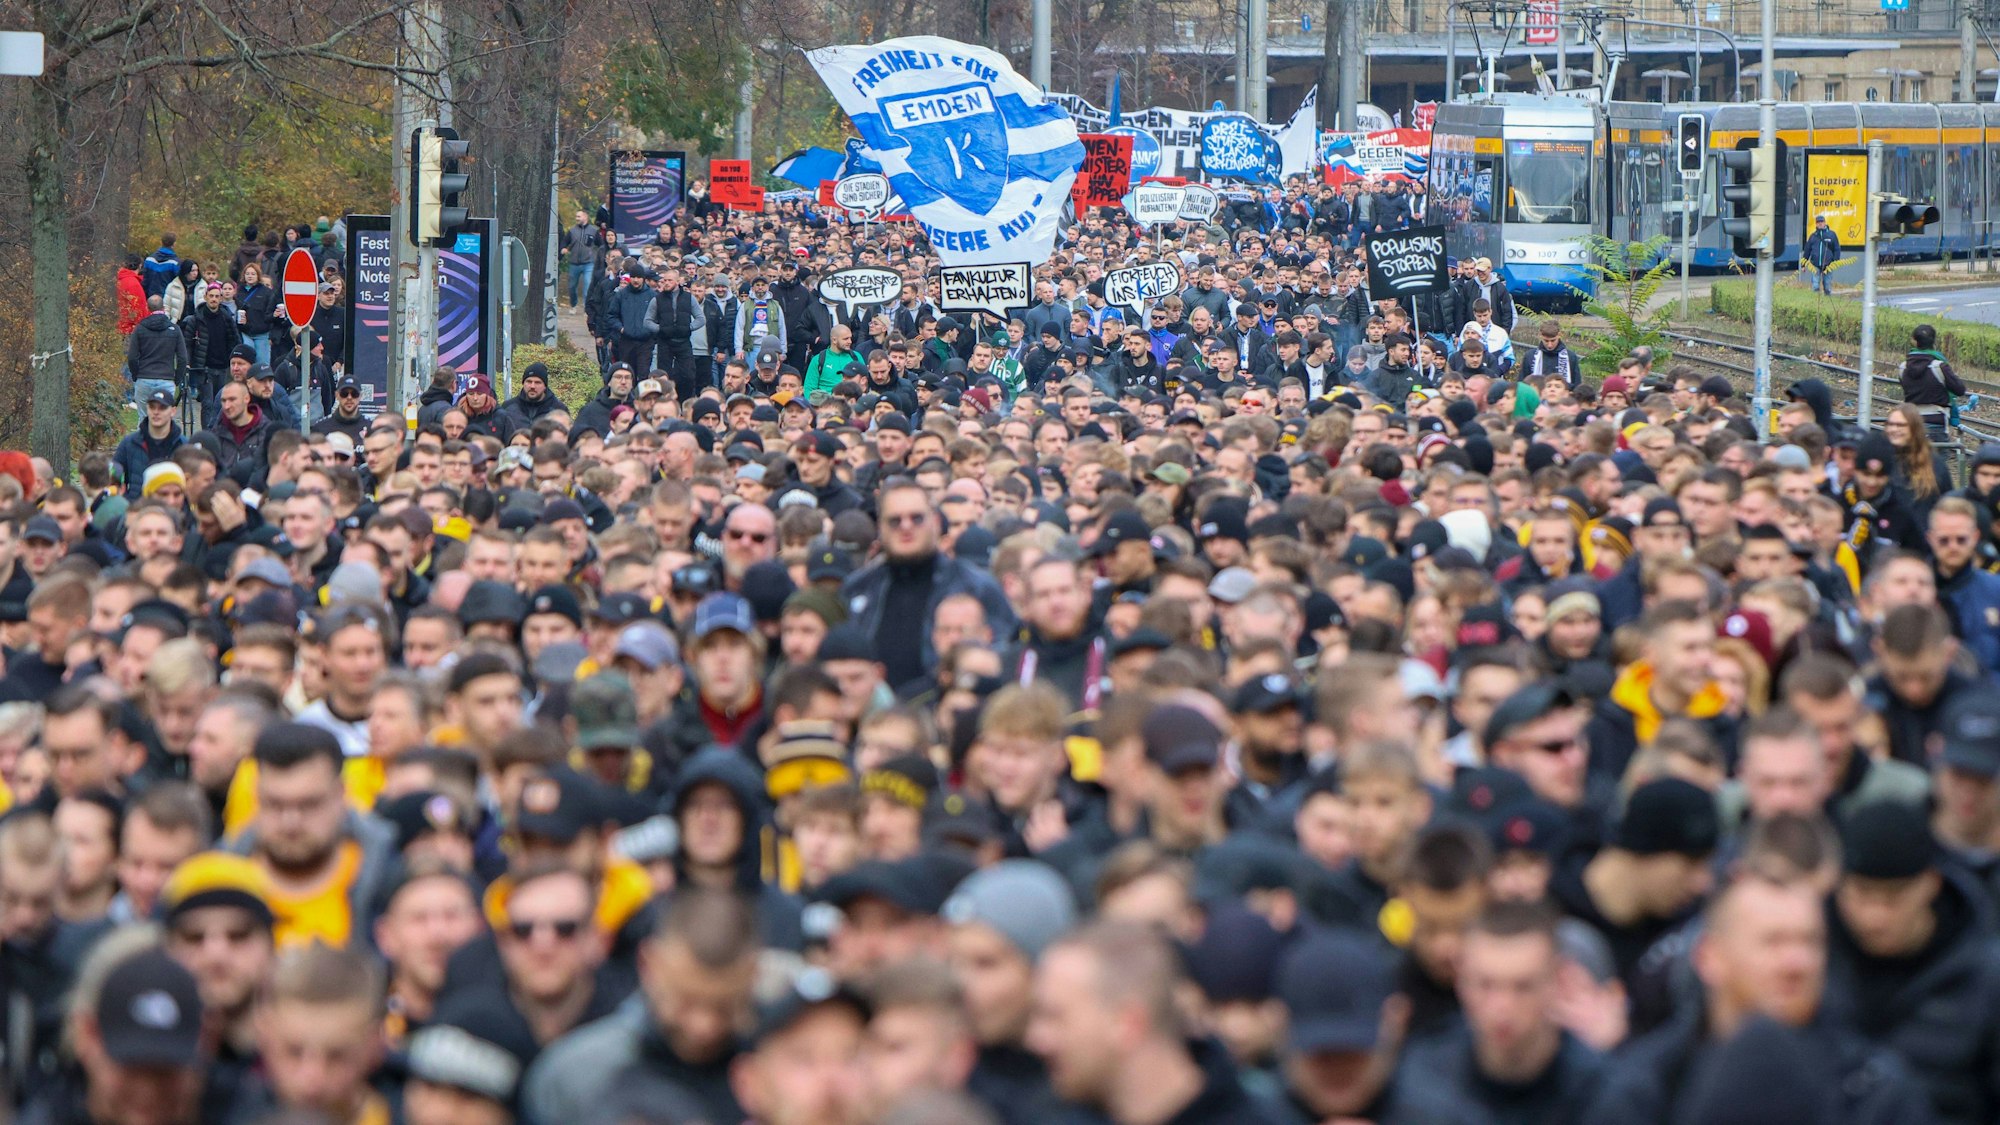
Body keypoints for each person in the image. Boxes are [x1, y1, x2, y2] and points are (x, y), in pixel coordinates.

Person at [1804, 215, 1842, 294]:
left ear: (1825, 223)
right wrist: (1803, 264)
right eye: (1818, 222)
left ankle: (1827, 301)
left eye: (1821, 222)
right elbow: (1807, 250)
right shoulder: (1813, 236)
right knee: (1815, 286)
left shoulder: (1832, 235)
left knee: (1827, 285)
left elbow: (1837, 249)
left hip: (1828, 264)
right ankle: (1815, 302)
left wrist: (1835, 261)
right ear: (1816, 224)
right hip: (1815, 264)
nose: (1820, 224)